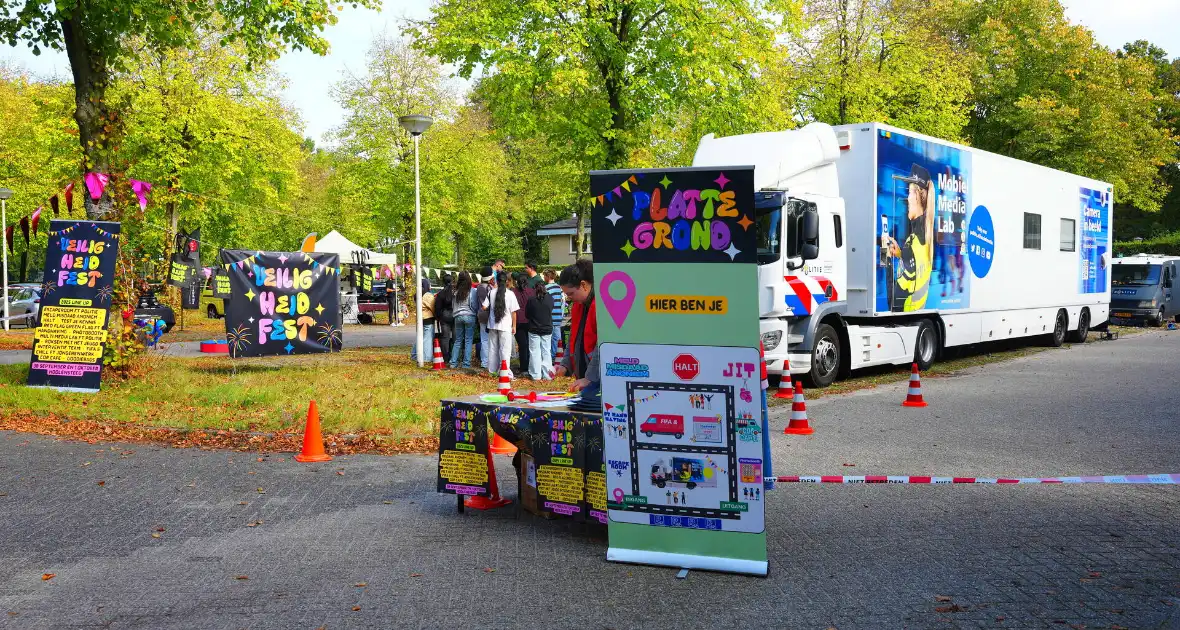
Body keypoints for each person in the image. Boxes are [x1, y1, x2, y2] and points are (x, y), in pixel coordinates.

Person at [884, 164, 936, 312]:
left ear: (918, 197)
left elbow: (893, 303)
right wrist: (901, 254)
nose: (907, 198)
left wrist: (887, 258)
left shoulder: (911, 245)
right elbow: (915, 267)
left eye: (909, 193)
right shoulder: (927, 239)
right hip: (917, 312)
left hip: (906, 314)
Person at [555, 259, 599, 398]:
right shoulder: (579, 306)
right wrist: (565, 365)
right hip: (585, 377)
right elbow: (574, 338)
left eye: (571, 293)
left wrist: (590, 378)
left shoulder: (601, 306)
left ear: (584, 285)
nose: (568, 298)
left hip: (597, 380)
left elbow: (602, 346)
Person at [481, 270, 519, 376]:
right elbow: (514, 312)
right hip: (506, 325)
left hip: (493, 324)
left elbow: (484, 307)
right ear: (506, 281)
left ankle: (492, 371)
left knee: (493, 348)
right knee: (505, 350)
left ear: (497, 280)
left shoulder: (491, 292)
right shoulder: (510, 294)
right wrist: (514, 326)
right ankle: (504, 371)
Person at [526, 277, 555, 381]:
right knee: (546, 351)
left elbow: (527, 314)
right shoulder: (550, 298)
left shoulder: (531, 300)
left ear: (535, 288)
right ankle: (547, 375)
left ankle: (535, 375)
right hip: (547, 327)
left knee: (534, 352)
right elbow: (550, 310)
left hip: (534, 328)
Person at [449, 271, 478, 369]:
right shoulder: (472, 291)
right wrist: (474, 312)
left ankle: (453, 362)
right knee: (468, 340)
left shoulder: (455, 291)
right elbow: (474, 305)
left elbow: (453, 305)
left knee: (458, 340)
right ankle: (466, 364)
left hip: (458, 317)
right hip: (470, 316)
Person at [411, 278, 436, 362]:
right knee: (427, 339)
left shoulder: (417, 294)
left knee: (419, 338)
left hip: (419, 319)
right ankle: (426, 357)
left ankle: (414, 355)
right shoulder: (428, 295)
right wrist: (436, 315)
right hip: (427, 319)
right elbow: (433, 307)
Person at [474, 266, 495, 371]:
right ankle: (490, 361)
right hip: (490, 315)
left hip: (481, 315)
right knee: (491, 339)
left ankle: (484, 361)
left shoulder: (478, 287)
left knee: (484, 339)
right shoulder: (490, 288)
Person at [510, 273, 531, 373]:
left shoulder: (513, 292)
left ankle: (523, 367)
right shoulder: (531, 291)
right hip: (530, 320)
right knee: (530, 344)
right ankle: (531, 365)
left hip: (518, 320)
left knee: (522, 345)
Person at [543, 269, 565, 360]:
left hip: (549, 317)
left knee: (547, 339)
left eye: (544, 276)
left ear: (547, 277)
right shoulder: (559, 288)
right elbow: (562, 302)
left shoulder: (546, 288)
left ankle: (548, 357)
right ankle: (554, 356)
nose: (543, 277)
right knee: (557, 339)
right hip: (558, 316)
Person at [435, 274, 455, 361]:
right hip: (455, 315)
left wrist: (439, 317)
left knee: (445, 337)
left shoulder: (440, 294)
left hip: (444, 316)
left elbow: (437, 308)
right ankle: (455, 356)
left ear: (443, 282)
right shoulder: (455, 293)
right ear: (452, 281)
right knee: (456, 337)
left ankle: (445, 357)